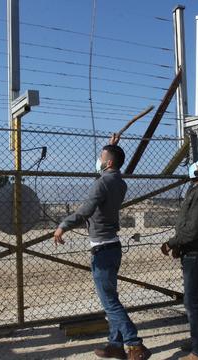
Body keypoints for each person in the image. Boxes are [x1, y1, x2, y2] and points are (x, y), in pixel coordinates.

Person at [53, 134, 152, 360]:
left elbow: (85, 211)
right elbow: (108, 174)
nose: (98, 160)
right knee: (111, 298)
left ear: (107, 163)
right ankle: (115, 344)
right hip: (112, 247)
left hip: (103, 249)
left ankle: (135, 344)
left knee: (110, 303)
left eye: (101, 157)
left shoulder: (103, 183)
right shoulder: (119, 182)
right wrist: (112, 148)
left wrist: (63, 226)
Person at [160, 156, 198, 360]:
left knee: (192, 302)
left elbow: (194, 227)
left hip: (196, 253)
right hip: (194, 251)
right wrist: (180, 244)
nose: (193, 166)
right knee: (194, 300)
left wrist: (173, 242)